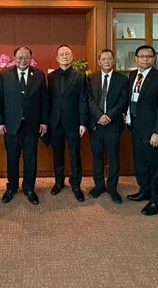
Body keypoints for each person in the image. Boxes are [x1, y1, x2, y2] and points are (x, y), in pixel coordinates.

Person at [0, 46, 49, 205]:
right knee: (12, 158)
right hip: (11, 125)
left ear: (31, 58)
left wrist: (44, 121)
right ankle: (11, 187)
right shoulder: (5, 74)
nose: (23, 60)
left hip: (32, 125)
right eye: (19, 57)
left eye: (26, 57)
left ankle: (29, 188)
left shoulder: (39, 75)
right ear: (14, 58)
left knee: (31, 159)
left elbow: (44, 101)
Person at [126, 45, 158, 215]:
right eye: (141, 56)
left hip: (152, 130)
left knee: (155, 165)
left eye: (149, 56)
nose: (145, 59)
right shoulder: (132, 75)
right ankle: (144, 190)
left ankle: (157, 199)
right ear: (136, 59)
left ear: (154, 58)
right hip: (135, 127)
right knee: (140, 162)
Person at [47, 45, 88, 202]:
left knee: (75, 155)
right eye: (61, 54)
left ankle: (76, 184)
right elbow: (47, 101)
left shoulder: (80, 76)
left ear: (72, 57)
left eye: (67, 54)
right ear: (57, 58)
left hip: (74, 122)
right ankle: (59, 182)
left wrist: (83, 123)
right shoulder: (50, 77)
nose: (64, 56)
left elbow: (83, 100)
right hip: (55, 122)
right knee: (57, 154)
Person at [87, 49, 129, 204]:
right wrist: (99, 115)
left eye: (109, 58)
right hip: (96, 124)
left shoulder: (122, 79)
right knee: (97, 156)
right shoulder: (91, 78)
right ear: (99, 61)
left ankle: (112, 187)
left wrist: (109, 116)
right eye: (103, 59)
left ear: (114, 61)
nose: (106, 61)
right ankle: (99, 185)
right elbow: (88, 99)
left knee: (113, 157)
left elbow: (123, 100)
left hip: (113, 124)